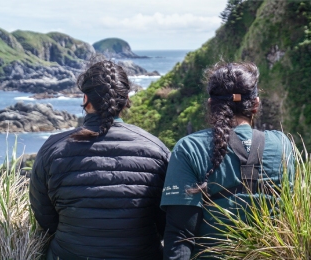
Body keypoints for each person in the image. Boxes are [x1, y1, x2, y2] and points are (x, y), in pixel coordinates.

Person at [29, 60, 170, 260]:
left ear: (86, 99)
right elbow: (166, 220)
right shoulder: (156, 149)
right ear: (126, 99)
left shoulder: (53, 148)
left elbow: (45, 218)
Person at [160, 62, 294, 259]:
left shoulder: (189, 148)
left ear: (210, 104)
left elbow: (181, 235)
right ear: (255, 104)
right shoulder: (283, 145)